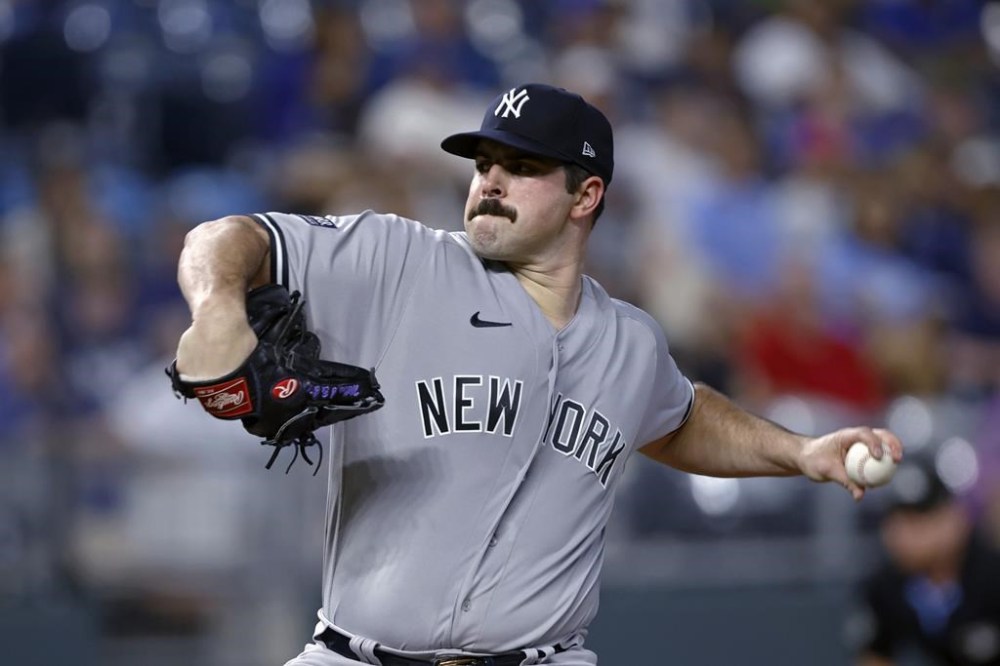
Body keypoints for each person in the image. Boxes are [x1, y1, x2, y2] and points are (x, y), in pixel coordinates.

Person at [172, 83, 904, 666]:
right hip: (356, 654)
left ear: (586, 196)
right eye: (484, 163)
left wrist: (800, 452)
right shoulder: (402, 261)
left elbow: (679, 418)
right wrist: (216, 312)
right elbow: (226, 238)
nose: (491, 182)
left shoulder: (629, 343)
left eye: (521, 168)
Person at [854, 457, 1000, 666]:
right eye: (895, 521)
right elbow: (874, 656)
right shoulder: (884, 586)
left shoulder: (992, 578)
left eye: (916, 521)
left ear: (954, 519)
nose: (902, 535)